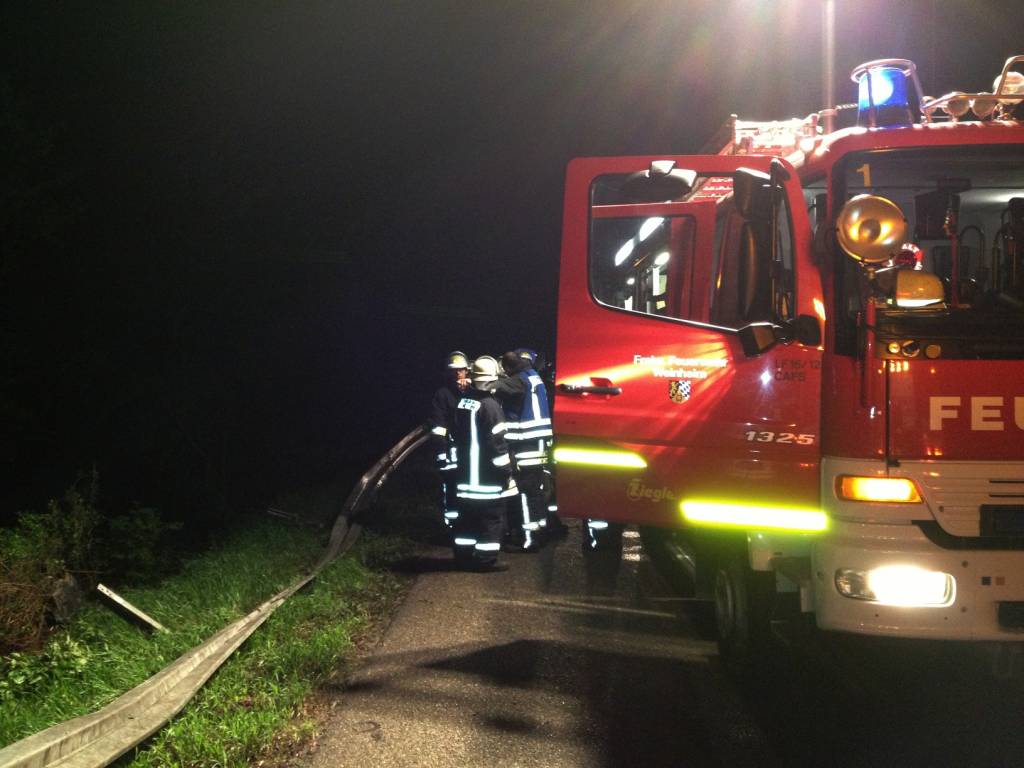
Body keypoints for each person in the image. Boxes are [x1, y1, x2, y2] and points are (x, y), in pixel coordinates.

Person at [450, 355, 518, 570]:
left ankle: (462, 558)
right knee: (491, 519)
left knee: (466, 519)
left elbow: (454, 435)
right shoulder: (491, 407)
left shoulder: (463, 403)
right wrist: (506, 471)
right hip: (487, 479)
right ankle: (485, 560)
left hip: (464, 477)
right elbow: (497, 446)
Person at [491, 349, 553, 551]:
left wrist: (482, 382)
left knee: (526, 492)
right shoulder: (532, 376)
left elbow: (493, 387)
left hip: (525, 445)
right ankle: (540, 534)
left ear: (509, 368)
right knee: (535, 492)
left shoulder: (518, 381)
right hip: (537, 443)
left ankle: (528, 540)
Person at [428, 351, 469, 531]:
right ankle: (452, 526)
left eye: (461, 370)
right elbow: (438, 427)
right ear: (448, 373)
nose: (458, 374)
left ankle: (469, 522)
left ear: (467, 370)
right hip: (451, 453)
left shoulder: (475, 392)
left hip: (472, 453)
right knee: (451, 489)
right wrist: (441, 453)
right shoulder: (442, 395)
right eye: (454, 371)